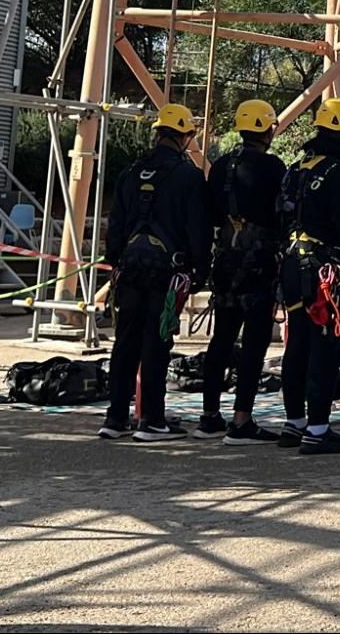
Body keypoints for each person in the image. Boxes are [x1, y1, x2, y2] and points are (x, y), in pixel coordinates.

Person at [98, 104, 211, 442]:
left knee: (125, 343)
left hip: (131, 270)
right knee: (157, 343)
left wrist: (115, 261)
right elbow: (198, 227)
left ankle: (116, 417)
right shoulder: (189, 176)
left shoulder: (131, 173)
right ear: (185, 136)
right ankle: (152, 419)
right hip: (166, 273)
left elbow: (115, 223)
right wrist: (200, 269)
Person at [277, 97, 340, 456]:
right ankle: (317, 429)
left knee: (297, 344)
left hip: (292, 265)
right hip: (325, 272)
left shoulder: (295, 170)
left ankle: (295, 422)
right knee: (326, 346)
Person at [194, 99, 286, 444]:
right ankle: (241, 418)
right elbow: (282, 212)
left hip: (226, 261)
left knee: (221, 338)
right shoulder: (272, 167)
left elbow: (210, 214)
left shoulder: (220, 166)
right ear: (267, 129)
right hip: (258, 264)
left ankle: (209, 415)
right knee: (254, 342)